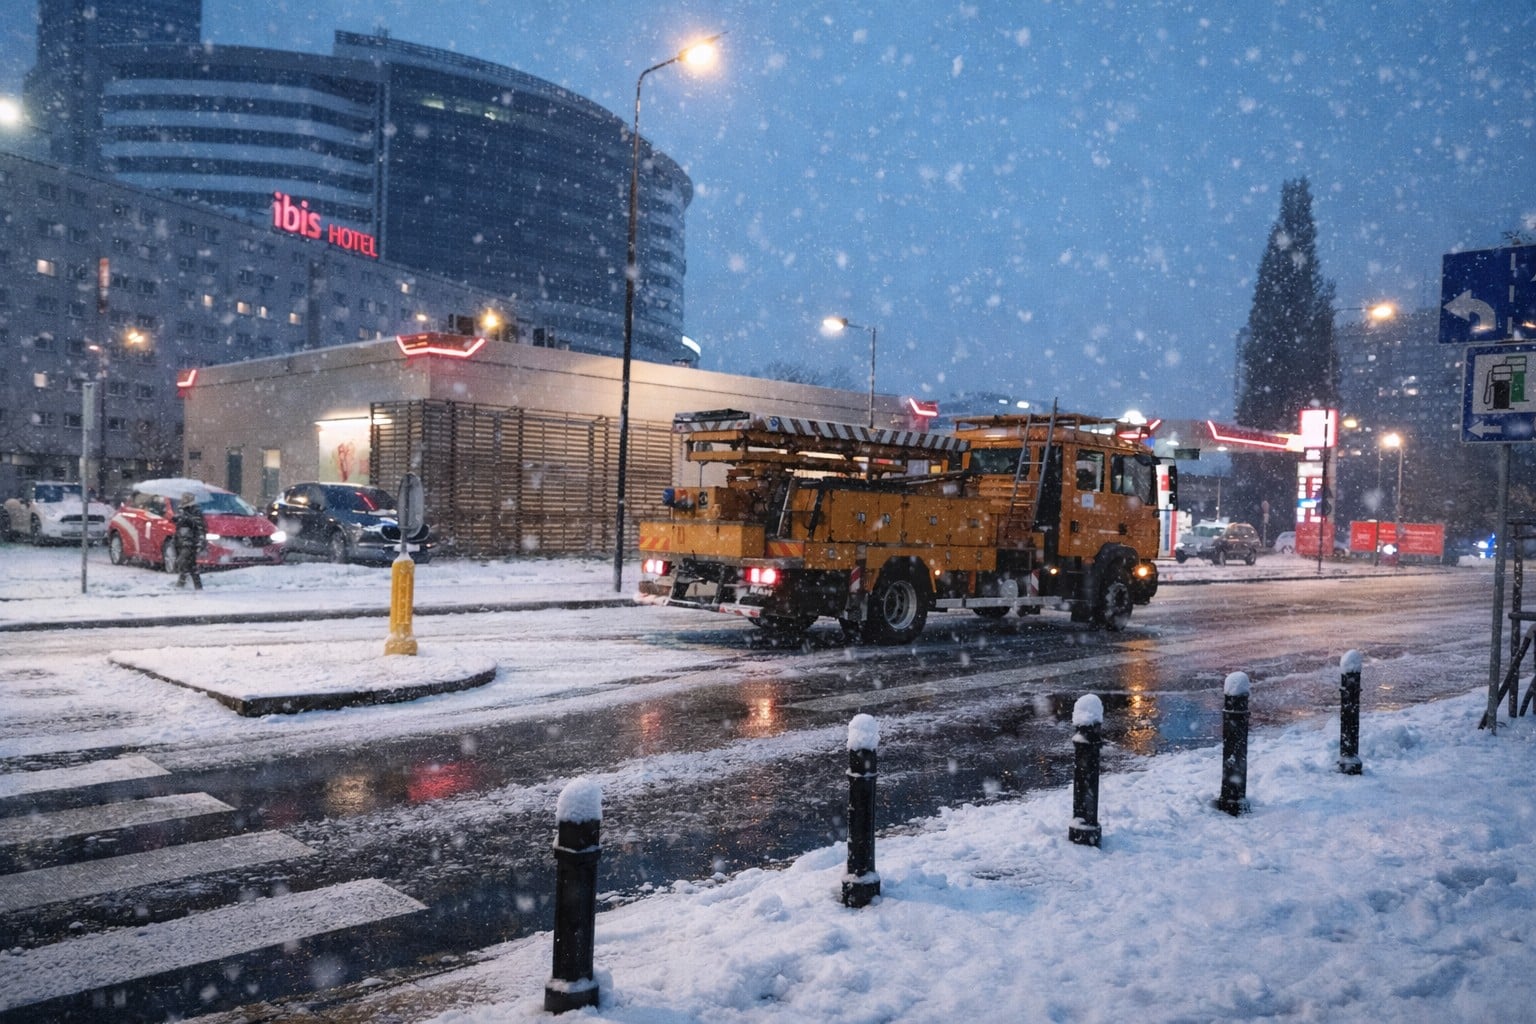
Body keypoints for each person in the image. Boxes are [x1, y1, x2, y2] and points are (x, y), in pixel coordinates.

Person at [173, 491, 206, 590]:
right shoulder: (181, 510)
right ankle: (196, 586)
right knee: (191, 565)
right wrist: (177, 519)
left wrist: (200, 541)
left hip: (190, 542)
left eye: (185, 498)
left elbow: (199, 526)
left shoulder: (195, 510)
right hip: (181, 541)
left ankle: (182, 584)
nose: (183, 499)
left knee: (182, 562)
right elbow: (179, 525)